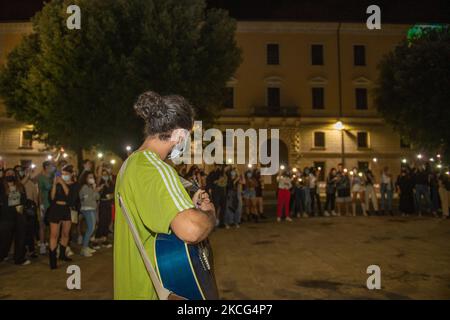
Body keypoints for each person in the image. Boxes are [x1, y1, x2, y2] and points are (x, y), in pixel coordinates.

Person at [114, 91, 215, 300]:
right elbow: (192, 229)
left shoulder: (131, 165)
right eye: (188, 136)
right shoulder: (155, 168)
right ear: (179, 135)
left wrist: (189, 200)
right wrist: (209, 215)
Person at [0, 168, 30, 265]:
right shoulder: (1, 186)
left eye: (12, 173)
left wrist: (22, 208)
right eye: (8, 173)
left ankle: (19, 259)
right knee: (4, 239)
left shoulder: (20, 186)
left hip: (19, 215)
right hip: (5, 216)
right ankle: (2, 255)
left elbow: (24, 199)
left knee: (20, 238)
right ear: (4, 175)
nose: (10, 175)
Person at [47, 164, 74, 269]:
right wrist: (54, 184)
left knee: (66, 234)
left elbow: (70, 197)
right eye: (63, 174)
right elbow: (52, 197)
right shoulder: (57, 184)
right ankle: (52, 261)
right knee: (54, 235)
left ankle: (62, 255)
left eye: (66, 174)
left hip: (66, 210)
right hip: (55, 210)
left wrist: (62, 183)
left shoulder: (73, 185)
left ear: (71, 175)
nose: (64, 176)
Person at [18, 165, 39, 259]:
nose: (28, 173)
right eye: (26, 171)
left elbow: (35, 197)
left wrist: (37, 208)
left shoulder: (32, 183)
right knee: (24, 231)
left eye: (29, 171)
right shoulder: (19, 182)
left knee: (31, 230)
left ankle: (31, 250)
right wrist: (27, 176)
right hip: (22, 209)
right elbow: (20, 185)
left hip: (31, 209)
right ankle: (24, 250)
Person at [79, 171, 100, 256]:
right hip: (88, 209)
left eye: (92, 177)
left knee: (92, 228)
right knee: (90, 228)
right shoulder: (84, 187)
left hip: (92, 208)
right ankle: (84, 248)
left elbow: (97, 197)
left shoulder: (91, 187)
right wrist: (95, 191)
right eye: (89, 177)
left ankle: (86, 246)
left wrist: (95, 190)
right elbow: (87, 200)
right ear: (85, 178)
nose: (92, 179)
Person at [94, 167, 115, 247]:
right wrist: (101, 165)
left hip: (109, 203)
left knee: (107, 221)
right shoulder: (100, 182)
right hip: (102, 203)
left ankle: (104, 240)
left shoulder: (110, 182)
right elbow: (98, 177)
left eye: (106, 174)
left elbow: (113, 191)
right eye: (103, 174)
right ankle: (96, 240)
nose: (105, 176)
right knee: (101, 222)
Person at [37, 160, 55, 255]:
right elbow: (39, 192)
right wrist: (40, 204)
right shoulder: (41, 178)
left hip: (53, 203)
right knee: (42, 225)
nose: (53, 168)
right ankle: (42, 244)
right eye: (51, 166)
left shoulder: (53, 176)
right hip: (45, 203)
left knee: (52, 225)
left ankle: (50, 242)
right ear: (46, 167)